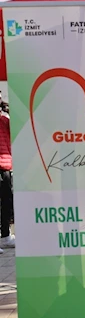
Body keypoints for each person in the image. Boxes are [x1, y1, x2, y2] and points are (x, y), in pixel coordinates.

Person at [0, 107, 11, 251]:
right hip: (5, 162)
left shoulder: (5, 119)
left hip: (6, 164)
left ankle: (5, 235)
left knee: (7, 201)